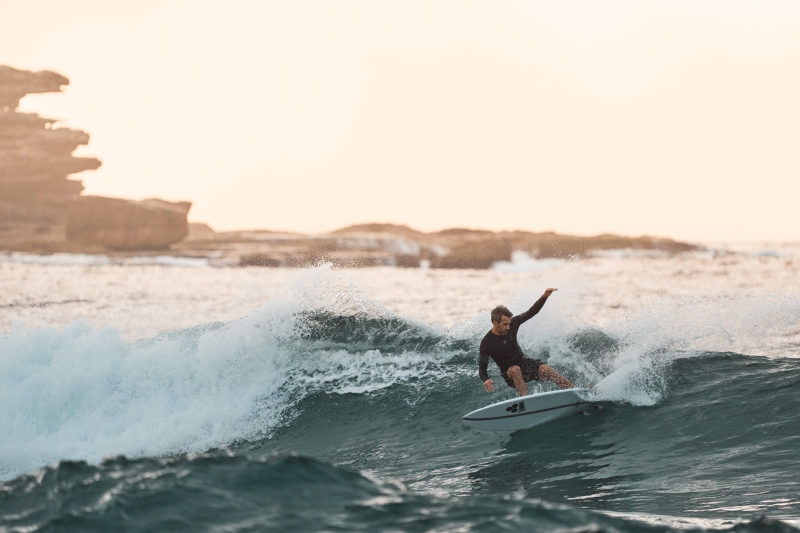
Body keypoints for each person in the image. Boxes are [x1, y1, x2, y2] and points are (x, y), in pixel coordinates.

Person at [479, 288, 574, 396]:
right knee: (515, 369)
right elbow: (482, 368)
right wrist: (486, 379)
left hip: (525, 363)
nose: (508, 327)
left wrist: (544, 296)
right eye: (505, 324)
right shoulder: (487, 343)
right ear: (495, 322)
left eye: (509, 323)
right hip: (509, 372)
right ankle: (526, 401)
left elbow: (531, 312)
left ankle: (574, 391)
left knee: (546, 369)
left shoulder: (513, 324)